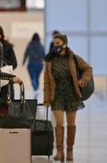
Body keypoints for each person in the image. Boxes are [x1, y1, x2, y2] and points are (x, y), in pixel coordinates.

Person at [43, 33, 92, 161]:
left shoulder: (74, 58)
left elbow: (88, 69)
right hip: (57, 95)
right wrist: (46, 99)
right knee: (59, 123)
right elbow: (46, 82)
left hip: (72, 95)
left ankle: (70, 151)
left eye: (58, 43)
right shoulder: (49, 61)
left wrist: (82, 81)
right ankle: (59, 151)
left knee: (71, 124)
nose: (56, 46)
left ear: (64, 44)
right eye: (54, 44)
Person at [0, 24, 18, 106]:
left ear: (0, 35)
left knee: (5, 105)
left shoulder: (7, 46)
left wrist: (3, 64)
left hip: (5, 80)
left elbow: (14, 63)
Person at [23, 33, 45, 99]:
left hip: (31, 63)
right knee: (37, 78)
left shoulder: (30, 45)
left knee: (33, 77)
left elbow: (26, 54)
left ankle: (35, 89)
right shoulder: (41, 46)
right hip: (40, 64)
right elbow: (44, 55)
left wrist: (23, 62)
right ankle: (37, 89)